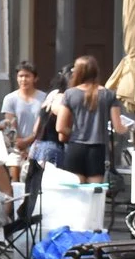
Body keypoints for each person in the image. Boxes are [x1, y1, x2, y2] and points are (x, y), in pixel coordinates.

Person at [50, 56, 126, 184]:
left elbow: (60, 127)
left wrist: (75, 133)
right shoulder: (109, 95)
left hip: (76, 147)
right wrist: (129, 128)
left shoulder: (70, 94)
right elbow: (118, 128)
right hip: (97, 149)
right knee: (94, 193)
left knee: (76, 193)